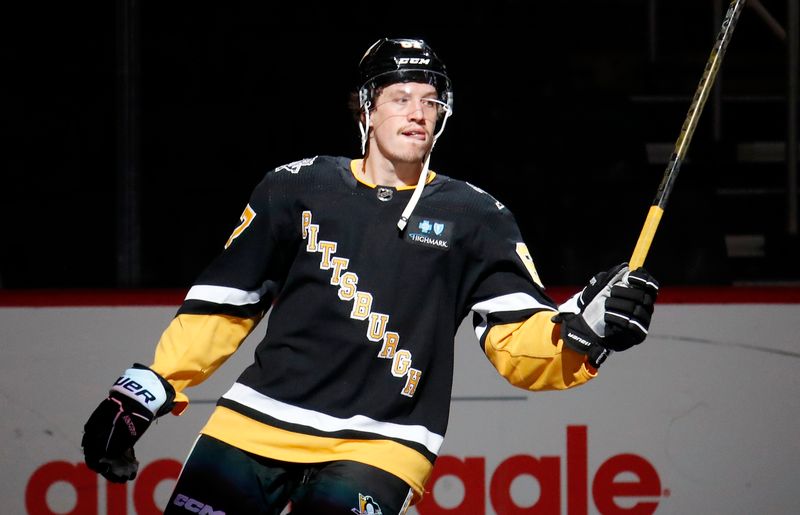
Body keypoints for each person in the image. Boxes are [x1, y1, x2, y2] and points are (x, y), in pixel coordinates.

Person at [82, 37, 659, 514]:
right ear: (365, 108)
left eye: (430, 100)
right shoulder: (296, 186)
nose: (416, 111)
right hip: (256, 421)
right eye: (400, 96)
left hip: (384, 442)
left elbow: (517, 341)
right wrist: (148, 387)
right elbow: (226, 302)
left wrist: (583, 328)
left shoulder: (476, 217)